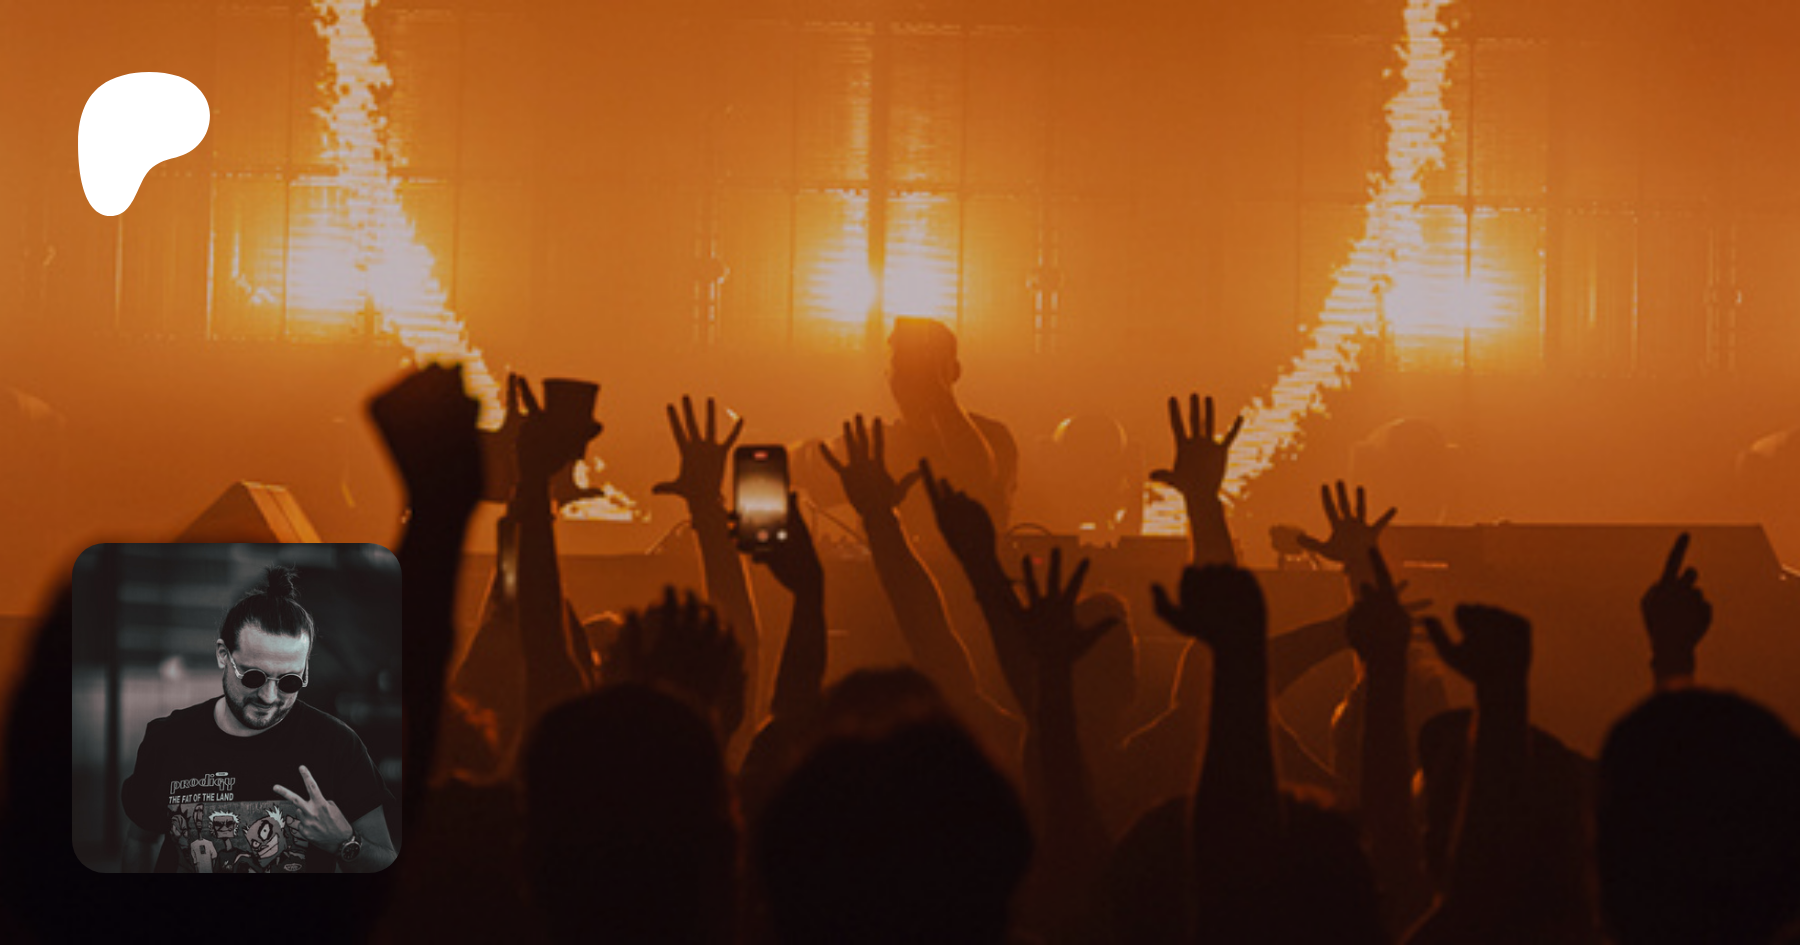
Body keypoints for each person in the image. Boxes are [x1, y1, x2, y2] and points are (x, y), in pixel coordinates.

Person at [118, 566, 396, 873]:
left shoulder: (337, 745)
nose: (269, 697)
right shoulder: (168, 739)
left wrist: (345, 843)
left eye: (289, 681)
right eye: (253, 677)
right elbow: (141, 841)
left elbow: (385, 861)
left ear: (306, 670)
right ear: (223, 655)